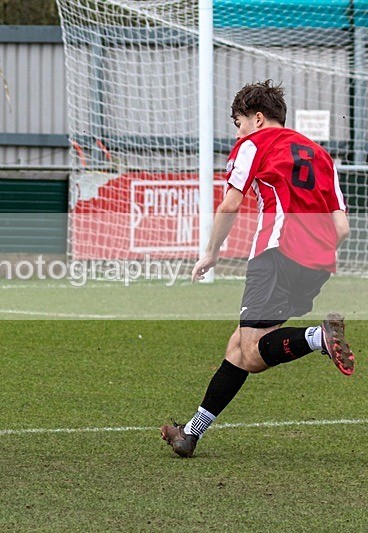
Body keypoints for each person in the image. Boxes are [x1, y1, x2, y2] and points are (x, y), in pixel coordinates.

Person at [161, 80, 354, 458]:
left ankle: (319, 337)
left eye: (239, 123)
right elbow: (342, 228)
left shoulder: (253, 144)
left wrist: (211, 253)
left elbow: (230, 205)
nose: (238, 132)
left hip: (276, 253)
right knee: (240, 346)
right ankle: (191, 433)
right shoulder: (320, 154)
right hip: (318, 264)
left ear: (259, 118)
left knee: (252, 353)